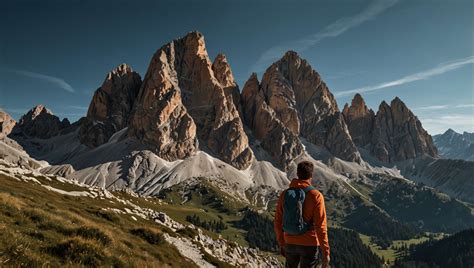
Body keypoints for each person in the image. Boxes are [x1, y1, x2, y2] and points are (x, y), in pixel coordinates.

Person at [274, 161, 330, 268]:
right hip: (310, 243)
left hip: (289, 241)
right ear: (311, 176)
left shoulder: (285, 194)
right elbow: (321, 227)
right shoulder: (316, 196)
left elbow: (277, 221)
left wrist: (282, 243)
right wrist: (326, 252)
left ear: (297, 174)